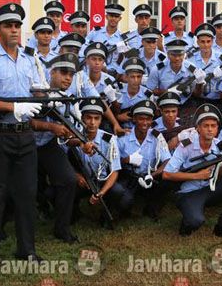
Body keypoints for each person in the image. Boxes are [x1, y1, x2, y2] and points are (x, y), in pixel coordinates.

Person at [0, 3, 44, 273]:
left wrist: (44, 96)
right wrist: (12, 108)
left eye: (17, 25)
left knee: (27, 194)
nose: (14, 30)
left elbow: (37, 90)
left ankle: (26, 250)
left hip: (25, 136)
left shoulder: (30, 57)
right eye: (8, 26)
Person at [163, 104, 222, 241]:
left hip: (209, 188)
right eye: (206, 126)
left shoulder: (219, 146)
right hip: (188, 192)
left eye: (213, 126)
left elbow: (218, 173)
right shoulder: (186, 146)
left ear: (217, 129)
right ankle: (187, 222)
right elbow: (167, 174)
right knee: (196, 221)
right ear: (198, 129)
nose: (210, 129)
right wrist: (196, 175)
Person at [31, 53, 81, 243]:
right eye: (63, 73)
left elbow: (73, 133)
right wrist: (51, 126)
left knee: (68, 180)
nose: (68, 78)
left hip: (48, 144)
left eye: (71, 74)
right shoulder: (35, 90)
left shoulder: (68, 101)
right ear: (52, 72)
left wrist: (76, 139)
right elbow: (25, 120)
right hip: (25, 142)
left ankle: (62, 228)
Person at [68, 98, 124, 230]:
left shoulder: (109, 139)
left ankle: (105, 216)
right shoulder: (73, 137)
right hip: (83, 180)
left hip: (102, 181)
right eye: (88, 118)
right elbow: (63, 160)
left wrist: (102, 193)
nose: (92, 123)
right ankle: (74, 213)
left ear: (101, 120)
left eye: (96, 118)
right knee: (62, 188)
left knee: (119, 192)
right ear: (82, 118)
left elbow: (115, 171)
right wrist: (76, 176)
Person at [117, 100, 173, 220]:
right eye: (141, 119)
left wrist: (153, 175)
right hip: (129, 177)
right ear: (134, 120)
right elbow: (112, 163)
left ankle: (151, 208)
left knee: (166, 181)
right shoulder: (123, 138)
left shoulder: (157, 136)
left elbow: (167, 160)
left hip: (149, 177)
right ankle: (125, 209)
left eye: (148, 119)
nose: (145, 123)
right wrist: (126, 160)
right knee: (124, 201)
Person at [189, 22, 222, 109]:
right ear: (197, 42)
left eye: (208, 41)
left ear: (212, 42)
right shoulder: (190, 60)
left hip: (217, 101)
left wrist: (221, 80)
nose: (206, 45)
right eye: (202, 42)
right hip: (197, 101)